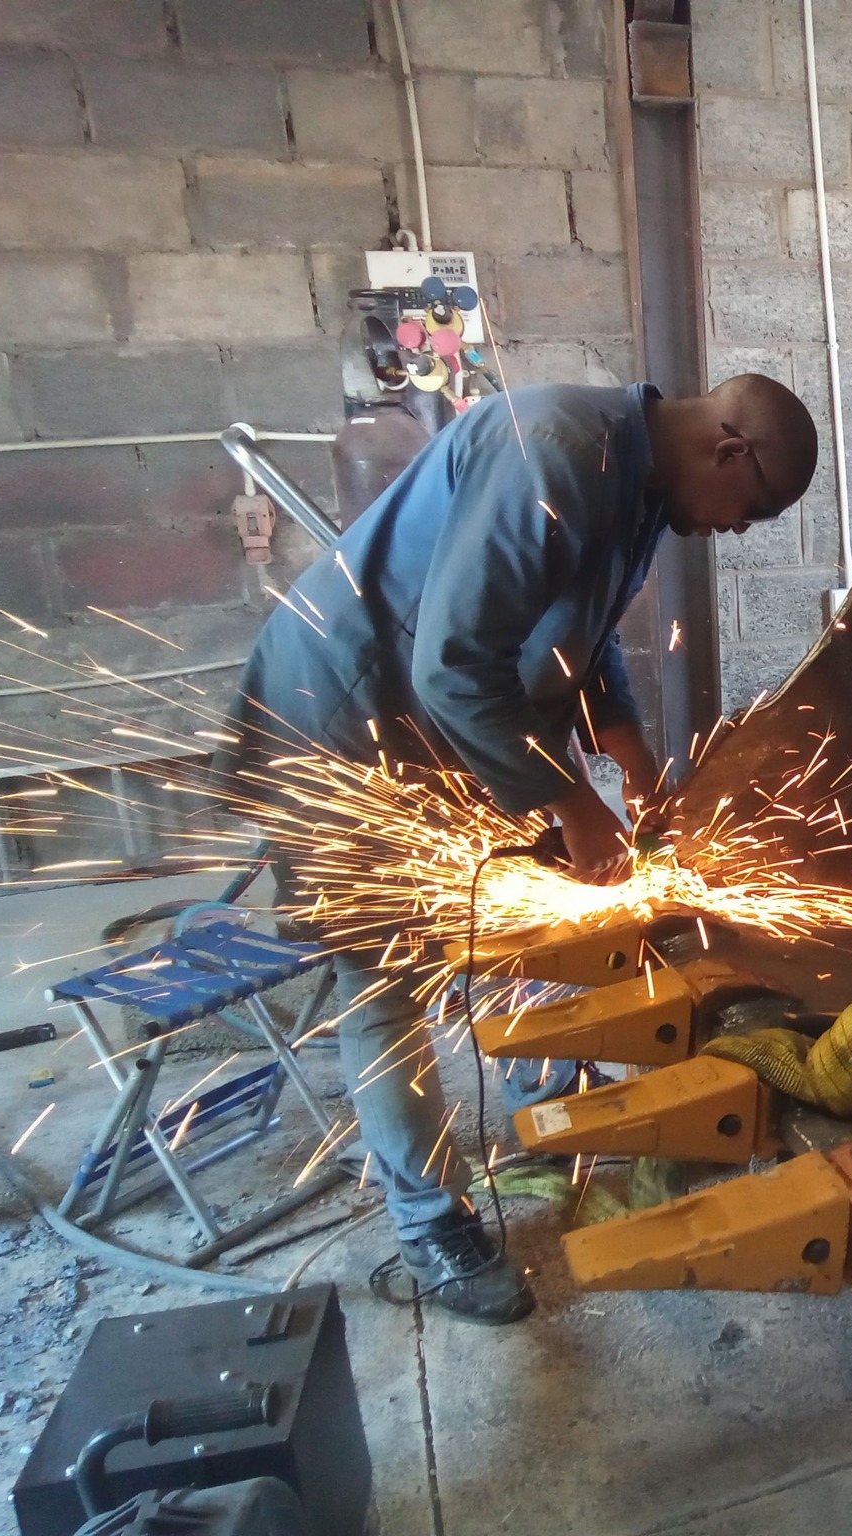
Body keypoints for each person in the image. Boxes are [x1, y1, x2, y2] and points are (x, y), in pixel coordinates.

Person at [227, 374, 818, 1323]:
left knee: (531, 912)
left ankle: (548, 1111)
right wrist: (576, 805)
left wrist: (634, 762)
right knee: (386, 976)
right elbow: (454, 667)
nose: (735, 531)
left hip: (448, 722)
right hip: (344, 720)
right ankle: (432, 1227)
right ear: (728, 450)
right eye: (748, 511)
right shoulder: (555, 452)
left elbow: (580, 639)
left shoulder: (638, 487)